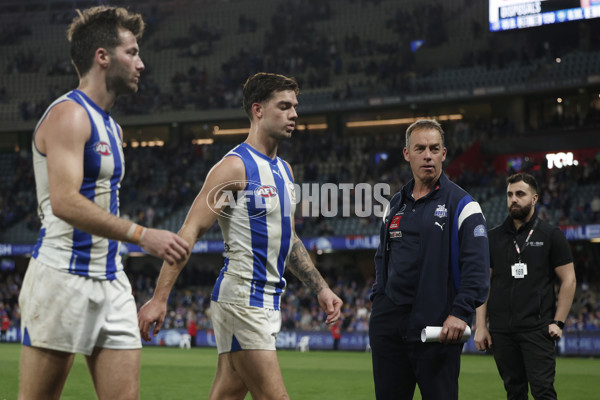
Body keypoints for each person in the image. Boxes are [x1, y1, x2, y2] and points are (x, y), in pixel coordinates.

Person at [18, 7, 190, 400]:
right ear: (102, 56)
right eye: (132, 52)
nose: (141, 63)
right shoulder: (69, 115)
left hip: (112, 280)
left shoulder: (113, 127)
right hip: (61, 277)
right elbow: (64, 201)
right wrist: (141, 235)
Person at [138, 72, 343, 400]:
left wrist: (321, 288)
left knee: (227, 394)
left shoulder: (284, 170)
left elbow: (287, 239)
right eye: (285, 106)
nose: (294, 114)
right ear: (258, 110)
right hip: (242, 301)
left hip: (265, 301)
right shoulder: (233, 168)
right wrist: (159, 299)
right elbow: (190, 231)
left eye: (295, 107)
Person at [368, 119, 490, 400]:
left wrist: (460, 312)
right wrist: (379, 302)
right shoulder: (395, 204)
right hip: (390, 330)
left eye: (434, 149)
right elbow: (381, 257)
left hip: (437, 330)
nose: (428, 155)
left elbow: (477, 267)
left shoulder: (463, 204)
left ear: (444, 154)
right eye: (420, 148)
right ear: (406, 154)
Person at [474, 172, 576, 400]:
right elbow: (483, 283)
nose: (513, 199)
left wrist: (559, 321)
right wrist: (480, 325)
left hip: (537, 330)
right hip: (502, 332)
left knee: (543, 392)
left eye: (520, 194)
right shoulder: (493, 238)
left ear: (535, 198)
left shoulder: (552, 235)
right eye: (510, 194)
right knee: (514, 392)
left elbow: (569, 279)